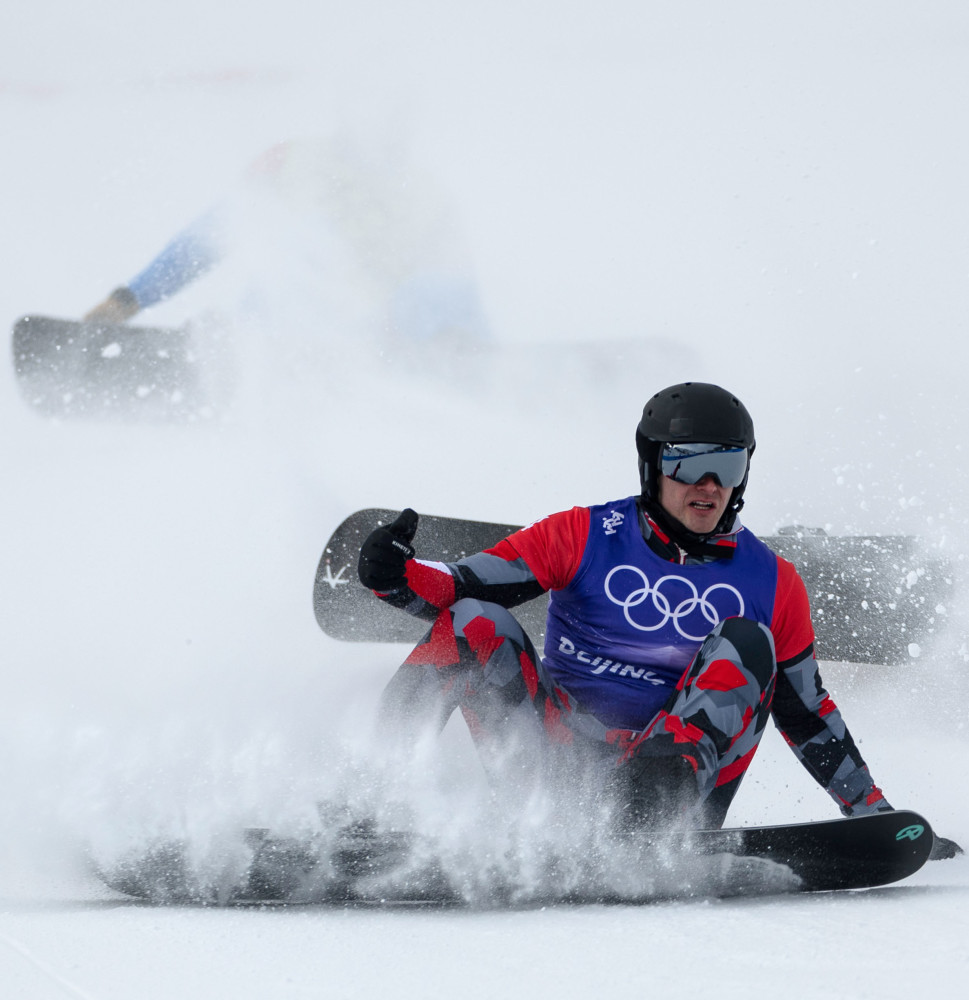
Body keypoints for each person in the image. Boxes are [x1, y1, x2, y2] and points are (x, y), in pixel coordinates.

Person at [358, 381, 961, 857]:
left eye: (726, 467)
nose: (707, 485)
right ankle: (363, 802)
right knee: (475, 621)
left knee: (746, 642)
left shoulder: (774, 582)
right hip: (550, 774)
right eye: (687, 464)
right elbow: (457, 590)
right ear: (652, 467)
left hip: (674, 794)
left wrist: (876, 819)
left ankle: (644, 822)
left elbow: (808, 715)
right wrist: (394, 576)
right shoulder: (584, 534)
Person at [83, 134, 489, 348]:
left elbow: (456, 283)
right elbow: (211, 236)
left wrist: (472, 346)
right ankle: (234, 348)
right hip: (283, 332)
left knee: (427, 291)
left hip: (381, 341)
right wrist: (130, 298)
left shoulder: (425, 190)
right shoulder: (295, 160)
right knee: (299, 243)